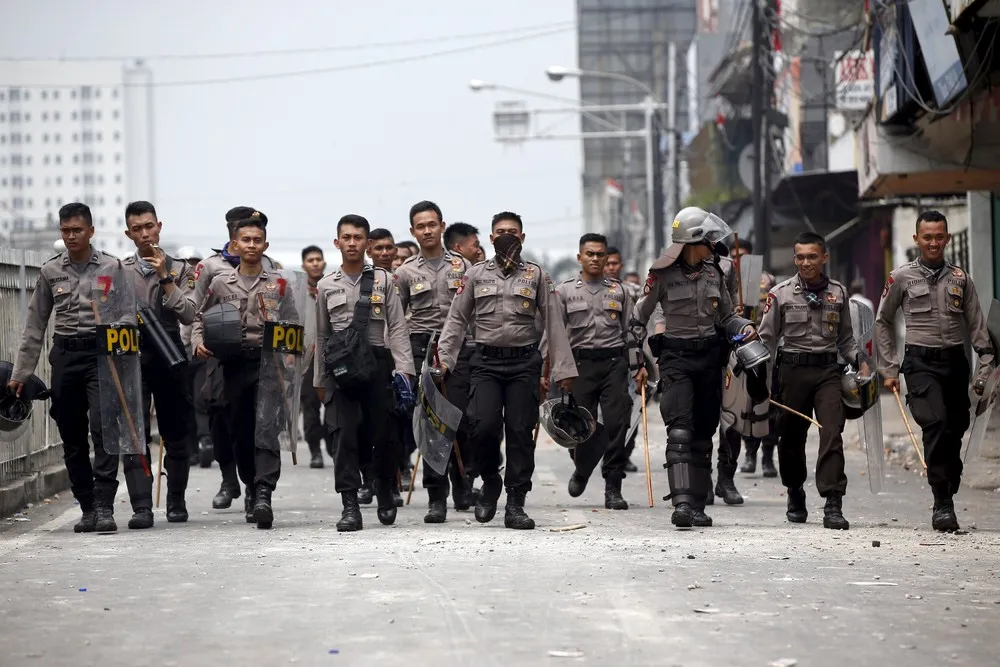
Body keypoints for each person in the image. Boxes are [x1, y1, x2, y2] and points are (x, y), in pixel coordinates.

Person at [436, 211, 577, 530]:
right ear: (490, 238)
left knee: (519, 433)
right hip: (484, 362)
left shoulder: (537, 276)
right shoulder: (474, 276)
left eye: (512, 232)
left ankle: (516, 502)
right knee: (482, 428)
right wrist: (444, 360)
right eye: (500, 232)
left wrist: (563, 371)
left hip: (523, 364)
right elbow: (457, 319)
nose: (506, 237)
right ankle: (489, 482)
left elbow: (554, 323)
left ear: (523, 238)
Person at [8, 203, 135, 533]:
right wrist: (20, 374)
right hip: (66, 357)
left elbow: (127, 314)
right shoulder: (51, 271)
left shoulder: (112, 267)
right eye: (65, 231)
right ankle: (88, 506)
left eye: (77, 230)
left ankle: (106, 505)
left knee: (104, 430)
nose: (71, 236)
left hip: (102, 357)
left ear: (91, 231)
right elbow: (35, 326)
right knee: (72, 435)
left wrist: (116, 334)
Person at [631, 207, 755, 528]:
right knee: (681, 431)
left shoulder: (715, 272)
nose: (714, 244)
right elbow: (639, 316)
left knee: (704, 433)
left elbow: (726, 316)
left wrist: (743, 327)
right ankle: (682, 503)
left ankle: (698, 506)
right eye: (708, 238)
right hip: (676, 360)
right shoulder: (661, 274)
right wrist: (636, 357)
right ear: (691, 240)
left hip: (709, 359)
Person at [875, 210, 995, 532]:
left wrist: (985, 369)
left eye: (938, 236)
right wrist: (888, 368)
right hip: (919, 364)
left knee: (955, 429)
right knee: (936, 422)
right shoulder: (900, 277)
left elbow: (978, 327)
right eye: (926, 237)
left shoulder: (960, 278)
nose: (933, 242)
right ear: (916, 239)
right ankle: (942, 502)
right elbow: (882, 321)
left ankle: (947, 481)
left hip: (955, 363)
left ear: (948, 238)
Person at [192, 212, 295, 529]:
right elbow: (199, 316)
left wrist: (291, 359)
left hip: (269, 364)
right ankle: (250, 485)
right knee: (240, 430)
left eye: (257, 240)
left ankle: (264, 491)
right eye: (245, 240)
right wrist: (197, 341)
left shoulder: (279, 283)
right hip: (233, 364)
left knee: (266, 428)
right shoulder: (221, 284)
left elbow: (294, 324)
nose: (252, 245)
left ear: (266, 244)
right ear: (235, 244)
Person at [314, 215, 414, 532]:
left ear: (367, 244)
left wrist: (404, 370)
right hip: (341, 371)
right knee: (343, 437)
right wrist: (319, 379)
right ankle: (349, 505)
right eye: (347, 237)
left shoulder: (384, 281)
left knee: (383, 436)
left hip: (377, 364)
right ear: (337, 242)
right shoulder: (326, 285)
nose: (353, 243)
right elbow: (320, 335)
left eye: (359, 237)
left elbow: (397, 327)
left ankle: (384, 491)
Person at [758, 232, 860, 530]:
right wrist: (756, 375)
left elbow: (846, 340)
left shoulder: (839, 293)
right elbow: (767, 340)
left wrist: (861, 362)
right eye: (800, 257)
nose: (806, 262)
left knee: (832, 432)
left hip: (828, 372)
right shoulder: (780, 294)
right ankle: (795, 491)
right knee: (790, 438)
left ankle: (832, 501)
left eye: (812, 256)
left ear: (823, 257)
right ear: (794, 259)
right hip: (791, 371)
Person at [395, 200, 476, 522]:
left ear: (442, 227)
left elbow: (476, 313)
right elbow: (396, 320)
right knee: (432, 426)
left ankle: (463, 481)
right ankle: (436, 496)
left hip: (460, 350)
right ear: (413, 231)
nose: (427, 230)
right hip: (422, 350)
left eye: (432, 224)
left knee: (464, 422)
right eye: (420, 226)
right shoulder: (404, 273)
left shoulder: (464, 267)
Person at [120, 201, 197, 528]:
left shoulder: (182, 269)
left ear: (159, 226)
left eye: (149, 226)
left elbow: (189, 313)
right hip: (132, 353)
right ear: (128, 233)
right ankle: (141, 506)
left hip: (169, 353)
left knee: (175, 430)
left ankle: (176, 500)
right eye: (136, 229)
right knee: (134, 432)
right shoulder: (119, 270)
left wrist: (165, 276)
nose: (144, 234)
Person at [557, 233, 644, 510]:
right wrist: (557, 372)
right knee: (581, 427)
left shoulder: (620, 291)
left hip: (614, 365)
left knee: (618, 424)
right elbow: (556, 336)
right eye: (590, 254)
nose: (595, 259)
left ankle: (613, 487)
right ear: (580, 257)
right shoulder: (564, 291)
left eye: (600, 254)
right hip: (580, 366)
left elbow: (631, 333)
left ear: (606, 258)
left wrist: (639, 365)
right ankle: (582, 469)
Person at [709, 246, 746, 507]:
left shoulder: (727, 266)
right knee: (698, 422)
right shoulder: (672, 267)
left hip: (726, 348)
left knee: (732, 419)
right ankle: (699, 480)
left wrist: (739, 313)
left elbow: (732, 304)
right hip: (691, 351)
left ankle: (726, 478)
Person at [740, 271, 779, 478]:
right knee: (748, 409)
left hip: (772, 360)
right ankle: (750, 454)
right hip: (749, 358)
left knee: (771, 410)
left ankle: (768, 457)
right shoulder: (740, 288)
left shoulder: (776, 291)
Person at [176, 245, 212, 468]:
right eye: (185, 262)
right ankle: (189, 449)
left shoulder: (207, 289)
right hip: (177, 355)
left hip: (200, 353)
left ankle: (205, 440)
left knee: (201, 399)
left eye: (194, 262)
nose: (190, 266)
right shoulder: (169, 288)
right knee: (183, 403)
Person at [300, 245, 329, 468]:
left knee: (333, 404)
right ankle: (314, 451)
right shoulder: (295, 293)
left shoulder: (332, 287)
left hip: (330, 357)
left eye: (318, 259)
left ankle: (332, 444)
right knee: (310, 406)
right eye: (311, 260)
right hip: (305, 359)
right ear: (304, 265)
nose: (315, 263)